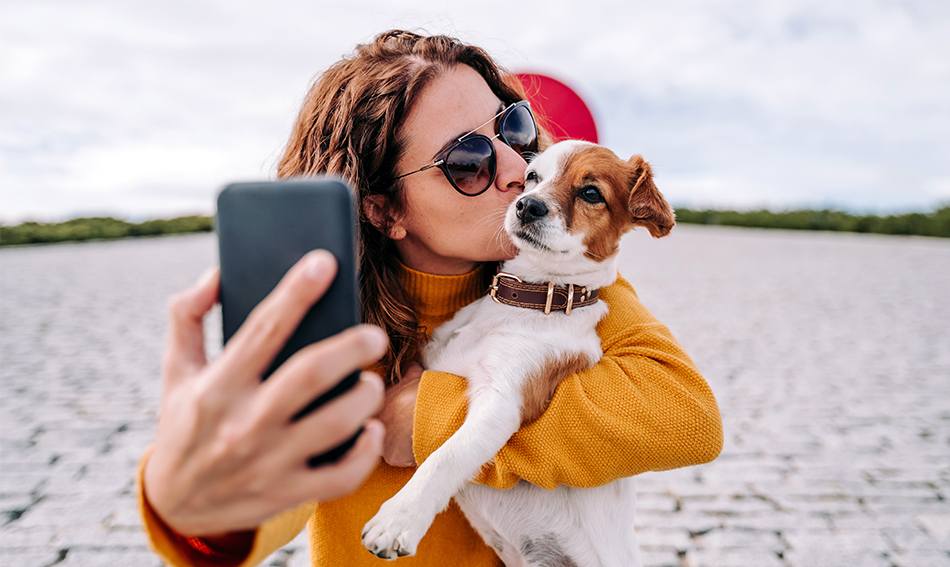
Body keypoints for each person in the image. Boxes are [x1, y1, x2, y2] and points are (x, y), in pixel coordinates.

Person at [138, 30, 723, 567]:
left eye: (513, 129)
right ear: (385, 209)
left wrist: (429, 417)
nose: (519, 170)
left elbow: (688, 417)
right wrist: (194, 510)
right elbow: (255, 513)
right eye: (468, 162)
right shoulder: (333, 333)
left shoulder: (565, 284)